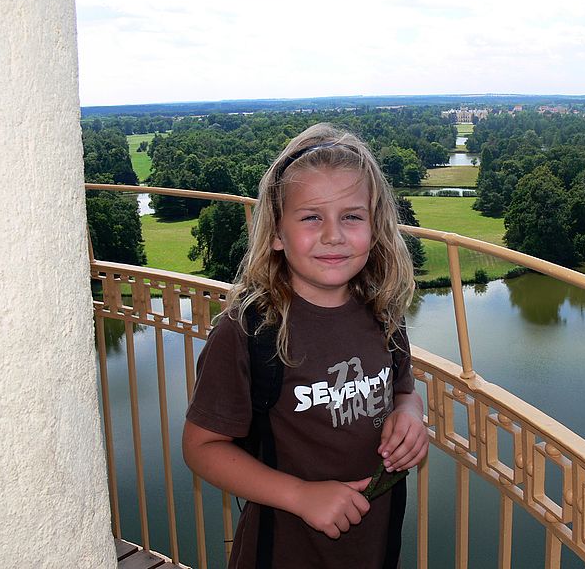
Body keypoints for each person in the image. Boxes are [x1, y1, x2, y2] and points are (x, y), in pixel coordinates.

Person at [182, 123, 428, 568]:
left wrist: (410, 415)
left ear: (374, 228)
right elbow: (201, 446)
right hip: (284, 549)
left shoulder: (383, 311)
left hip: (374, 543)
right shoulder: (248, 331)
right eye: (312, 216)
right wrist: (299, 495)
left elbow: (404, 389)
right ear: (277, 233)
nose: (333, 234)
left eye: (352, 216)